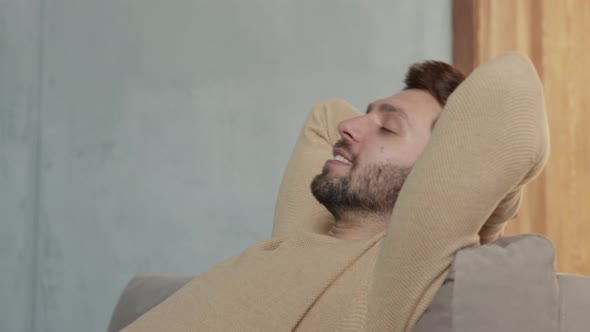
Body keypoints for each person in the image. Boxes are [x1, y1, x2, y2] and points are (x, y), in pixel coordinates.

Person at [123, 52, 549, 331]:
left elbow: (511, 85)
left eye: (386, 127)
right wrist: (383, 123)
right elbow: (327, 116)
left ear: (438, 175)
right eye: (367, 115)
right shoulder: (297, 237)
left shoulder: (395, 273)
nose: (349, 127)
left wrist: (485, 210)